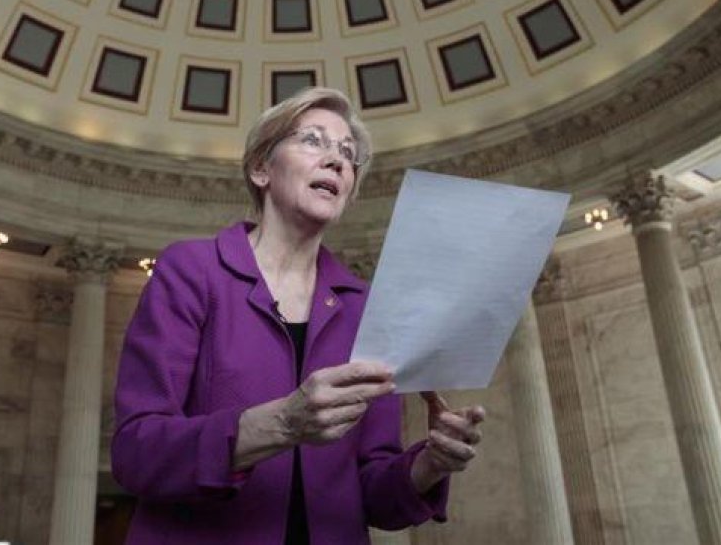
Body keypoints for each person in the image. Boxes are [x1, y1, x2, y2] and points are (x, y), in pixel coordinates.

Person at [111, 87, 486, 544]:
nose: (337, 161)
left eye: (348, 154)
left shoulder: (364, 305)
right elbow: (137, 453)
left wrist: (429, 464)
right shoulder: (191, 270)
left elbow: (374, 497)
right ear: (261, 168)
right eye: (313, 141)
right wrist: (285, 422)